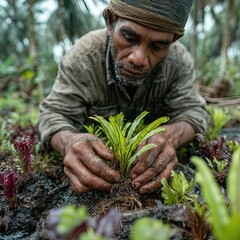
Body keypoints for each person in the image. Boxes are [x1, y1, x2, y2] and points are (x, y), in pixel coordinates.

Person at [38, 0, 208, 195]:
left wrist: (170, 136)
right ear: (111, 22)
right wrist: (68, 141)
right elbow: (54, 114)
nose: (138, 58)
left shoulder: (178, 63)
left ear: (174, 40)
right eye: (129, 37)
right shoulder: (83, 59)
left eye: (158, 46)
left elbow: (194, 112)